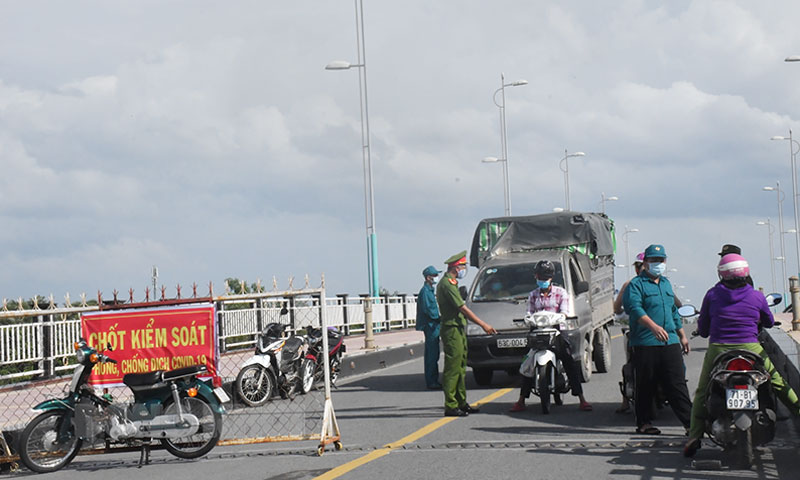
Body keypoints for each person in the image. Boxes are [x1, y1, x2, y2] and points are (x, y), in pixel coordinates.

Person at [683, 254, 800, 457]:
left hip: (719, 349)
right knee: (779, 383)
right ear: (746, 273)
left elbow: (702, 330)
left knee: (702, 391)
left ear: (721, 274)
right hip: (751, 348)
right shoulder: (756, 296)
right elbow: (769, 322)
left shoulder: (712, 295)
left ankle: (694, 436)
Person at [622, 244, 692, 435]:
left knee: (677, 384)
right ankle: (644, 423)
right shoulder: (636, 285)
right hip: (645, 343)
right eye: (653, 260)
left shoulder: (667, 284)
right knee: (645, 385)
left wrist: (682, 336)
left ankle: (690, 424)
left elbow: (673, 311)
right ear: (645, 263)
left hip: (669, 342)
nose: (657, 264)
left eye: (660, 260)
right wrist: (653, 327)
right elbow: (634, 309)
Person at [510, 260, 592, 412]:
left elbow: (564, 312)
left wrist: (561, 317)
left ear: (552, 277)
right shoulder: (533, 295)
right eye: (541, 277)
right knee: (527, 363)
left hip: (557, 332)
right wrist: (528, 319)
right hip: (538, 333)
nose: (543, 280)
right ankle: (521, 400)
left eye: (546, 277)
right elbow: (529, 312)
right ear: (536, 276)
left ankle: (582, 399)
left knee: (569, 360)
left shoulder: (561, 293)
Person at [436, 250, 497, 417]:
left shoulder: (452, 284)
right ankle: (451, 405)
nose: (464, 269)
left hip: (458, 329)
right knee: (452, 368)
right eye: (463, 266)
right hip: (451, 329)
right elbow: (462, 308)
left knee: (461, 367)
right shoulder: (447, 285)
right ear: (456, 267)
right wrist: (483, 324)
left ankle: (461, 402)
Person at [416, 265, 442, 389]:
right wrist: (440, 318)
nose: (437, 278)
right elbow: (429, 310)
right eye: (435, 276)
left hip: (434, 325)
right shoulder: (425, 292)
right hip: (431, 325)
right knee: (432, 354)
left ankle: (433, 379)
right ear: (428, 278)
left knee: (433, 353)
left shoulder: (429, 290)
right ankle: (432, 381)